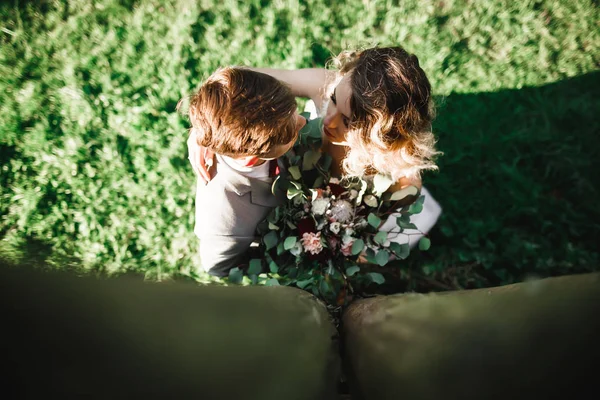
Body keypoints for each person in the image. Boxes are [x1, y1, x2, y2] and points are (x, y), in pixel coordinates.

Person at [188, 46, 442, 249]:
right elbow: (242, 84)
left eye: (348, 121)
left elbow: (387, 211)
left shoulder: (396, 170)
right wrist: (207, 129)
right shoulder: (325, 84)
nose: (327, 122)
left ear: (380, 140)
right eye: (333, 101)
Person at [181, 67, 306, 276]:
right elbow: (217, 268)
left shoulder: (250, 98)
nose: (303, 120)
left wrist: (200, 129)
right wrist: (287, 252)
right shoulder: (222, 224)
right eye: (292, 131)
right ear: (251, 158)